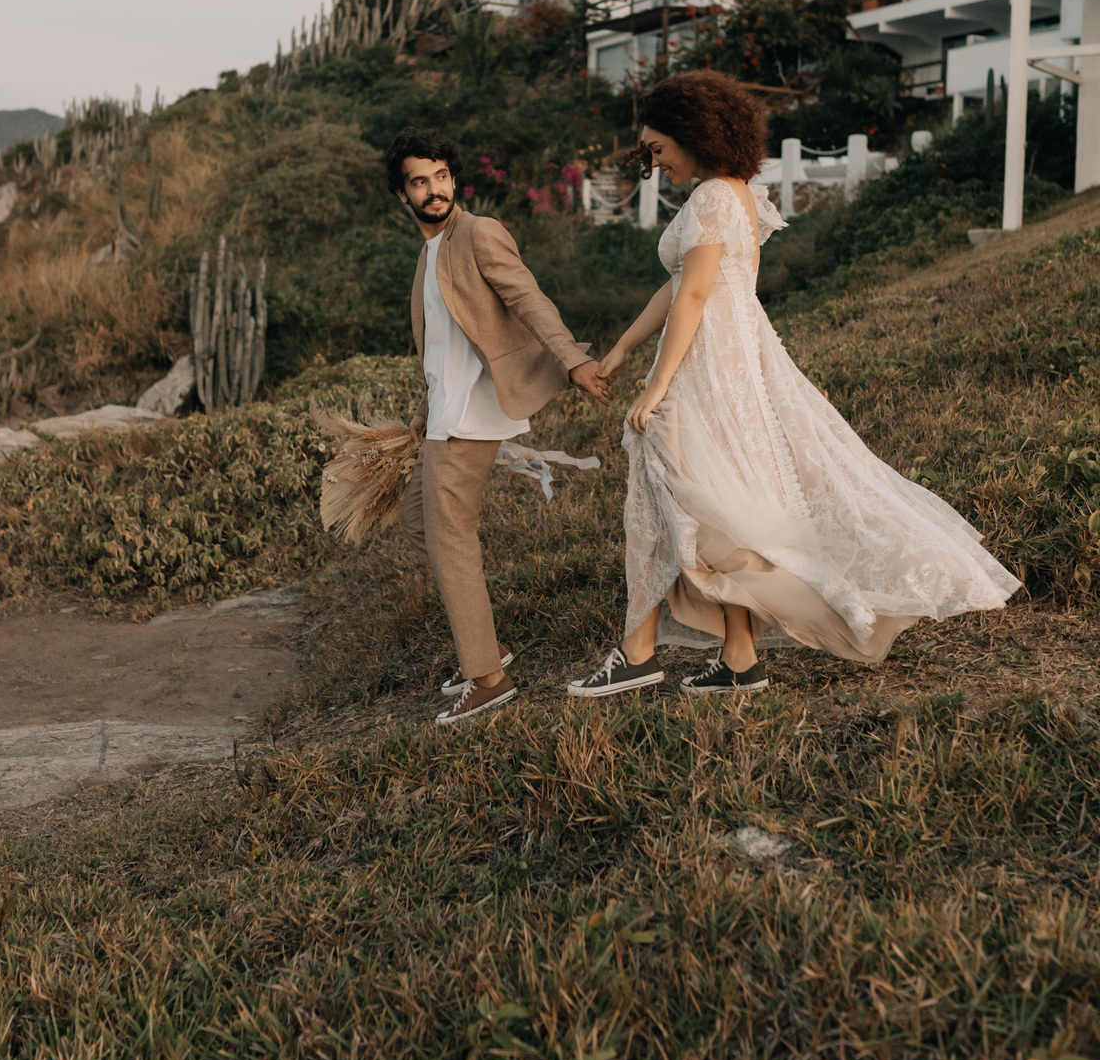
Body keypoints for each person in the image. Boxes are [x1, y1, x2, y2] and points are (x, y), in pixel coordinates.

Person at [566, 70, 1019, 699]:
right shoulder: (733, 193)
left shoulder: (713, 199)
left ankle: (641, 653)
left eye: (659, 146)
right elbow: (678, 288)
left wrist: (655, 386)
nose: (653, 159)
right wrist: (620, 351)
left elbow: (696, 294)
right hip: (726, 361)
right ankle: (737, 658)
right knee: (716, 500)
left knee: (680, 498)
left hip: (708, 367)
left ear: (693, 136)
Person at [386, 126, 609, 726]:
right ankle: (484, 646)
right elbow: (441, 341)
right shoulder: (428, 252)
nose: (433, 190)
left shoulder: (479, 233)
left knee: (451, 536)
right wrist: (424, 408)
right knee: (419, 523)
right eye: (418, 181)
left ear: (453, 179)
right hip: (445, 412)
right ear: (401, 194)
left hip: (474, 413)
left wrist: (574, 360)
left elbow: (529, 299)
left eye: (440, 177)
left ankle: (488, 678)